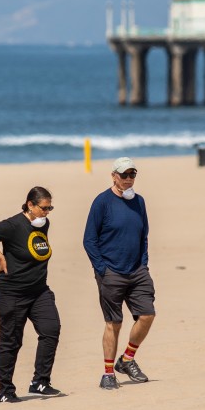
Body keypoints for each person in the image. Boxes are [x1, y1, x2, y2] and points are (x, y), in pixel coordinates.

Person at [0, 186, 63, 403]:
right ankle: (5, 391)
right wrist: (1, 258)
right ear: (30, 205)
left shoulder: (44, 224)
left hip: (39, 291)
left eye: (50, 207)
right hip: (10, 292)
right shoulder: (13, 225)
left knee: (51, 330)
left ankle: (40, 382)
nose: (47, 212)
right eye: (44, 208)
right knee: (11, 341)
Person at [83, 157, 156, 390]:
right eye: (124, 175)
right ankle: (107, 374)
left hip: (137, 271)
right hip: (110, 272)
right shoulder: (102, 202)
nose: (128, 179)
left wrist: (143, 263)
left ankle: (126, 359)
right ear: (113, 175)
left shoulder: (139, 202)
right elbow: (89, 240)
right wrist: (101, 269)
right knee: (114, 323)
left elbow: (143, 235)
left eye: (132, 175)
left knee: (147, 315)